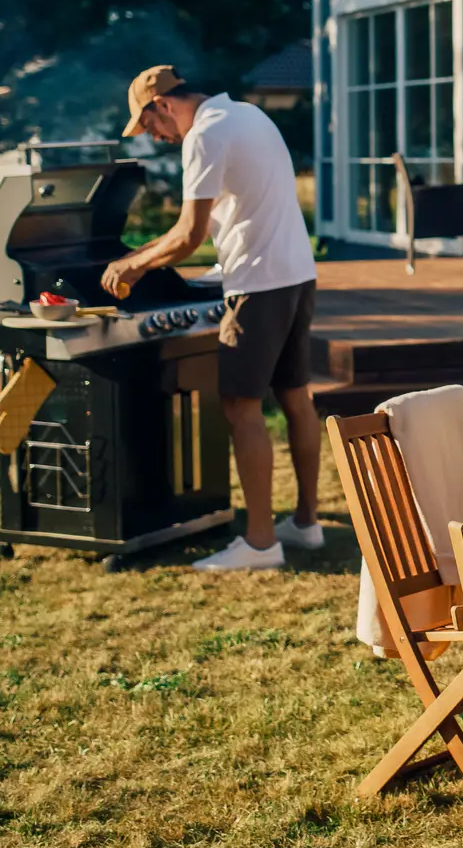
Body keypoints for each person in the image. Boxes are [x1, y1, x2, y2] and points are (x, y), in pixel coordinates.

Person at [102, 65, 321, 572]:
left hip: (257, 284)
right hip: (297, 273)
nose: (156, 136)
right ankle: (305, 524)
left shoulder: (203, 135)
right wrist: (139, 254)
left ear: (162, 104)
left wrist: (131, 265)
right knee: (295, 398)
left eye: (150, 126)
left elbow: (188, 236)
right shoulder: (249, 115)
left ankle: (261, 544)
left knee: (241, 406)